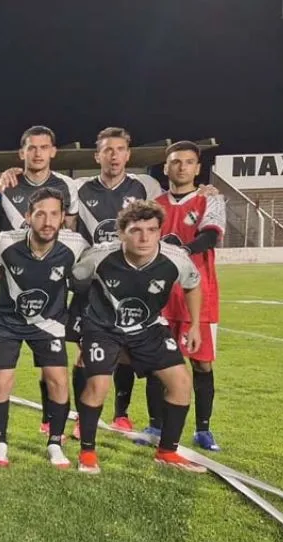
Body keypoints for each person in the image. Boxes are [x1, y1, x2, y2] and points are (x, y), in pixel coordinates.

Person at [71, 200, 206, 474]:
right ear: (122, 233)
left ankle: (167, 451)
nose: (144, 238)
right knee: (98, 385)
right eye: (136, 230)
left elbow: (192, 285)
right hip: (103, 328)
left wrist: (195, 326)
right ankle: (87, 453)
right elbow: (76, 282)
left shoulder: (176, 258)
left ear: (159, 232)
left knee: (181, 383)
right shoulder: (99, 256)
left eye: (152, 230)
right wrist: (80, 328)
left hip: (148, 328)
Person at [69, 127, 164, 436]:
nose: (114, 155)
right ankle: (83, 418)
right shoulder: (79, 189)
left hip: (129, 282)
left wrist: (205, 191)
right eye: (108, 150)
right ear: (97, 155)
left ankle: (121, 413)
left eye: (120, 149)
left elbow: (164, 216)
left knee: (126, 349)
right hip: (92, 284)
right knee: (85, 353)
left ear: (128, 154)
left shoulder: (145, 187)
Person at [0, 188, 89, 469]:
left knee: (58, 380)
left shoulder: (76, 245)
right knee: (2, 381)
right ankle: (0, 442)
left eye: (54, 214)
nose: (48, 221)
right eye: (40, 214)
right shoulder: (4, 242)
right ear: (28, 216)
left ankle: (55, 443)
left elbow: (88, 280)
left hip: (48, 322)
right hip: (7, 321)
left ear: (63, 217)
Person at [142, 141, 225, 451]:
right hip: (160, 297)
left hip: (199, 297)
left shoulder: (210, 199)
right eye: (176, 162)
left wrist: (182, 250)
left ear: (197, 168)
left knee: (202, 365)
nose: (182, 167)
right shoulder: (154, 204)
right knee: (156, 363)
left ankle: (203, 430)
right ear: (166, 167)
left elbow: (210, 236)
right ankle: (155, 425)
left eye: (189, 162)